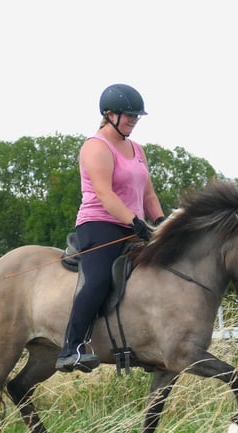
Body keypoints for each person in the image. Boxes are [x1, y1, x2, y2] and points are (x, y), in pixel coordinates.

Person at [55, 83, 166, 373]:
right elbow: (105, 194)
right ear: (110, 114)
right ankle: (72, 347)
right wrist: (135, 222)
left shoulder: (137, 148)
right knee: (99, 280)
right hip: (100, 224)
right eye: (129, 115)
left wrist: (162, 222)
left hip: (134, 225)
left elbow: (148, 194)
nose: (134, 120)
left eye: (136, 116)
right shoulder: (96, 147)